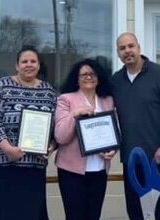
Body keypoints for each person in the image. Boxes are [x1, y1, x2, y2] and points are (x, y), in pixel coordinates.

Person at [111, 32, 160, 220]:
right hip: (132, 161)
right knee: (135, 213)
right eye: (122, 48)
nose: (127, 51)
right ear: (118, 53)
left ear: (139, 48)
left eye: (130, 46)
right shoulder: (116, 81)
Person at [0, 46, 58, 220]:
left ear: (39, 65)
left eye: (33, 61)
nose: (29, 65)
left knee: (31, 213)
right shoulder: (2, 86)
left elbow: (55, 125)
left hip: (34, 166)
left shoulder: (48, 91)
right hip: (6, 165)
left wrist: (50, 146)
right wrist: (7, 148)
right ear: (17, 65)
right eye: (24, 61)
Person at [54, 59, 117, 220]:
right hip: (72, 172)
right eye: (84, 74)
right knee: (75, 216)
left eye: (92, 73)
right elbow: (61, 136)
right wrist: (75, 114)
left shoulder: (107, 100)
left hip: (99, 170)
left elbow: (114, 131)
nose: (89, 77)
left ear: (99, 77)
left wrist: (113, 149)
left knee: (94, 215)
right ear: (77, 78)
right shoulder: (66, 99)